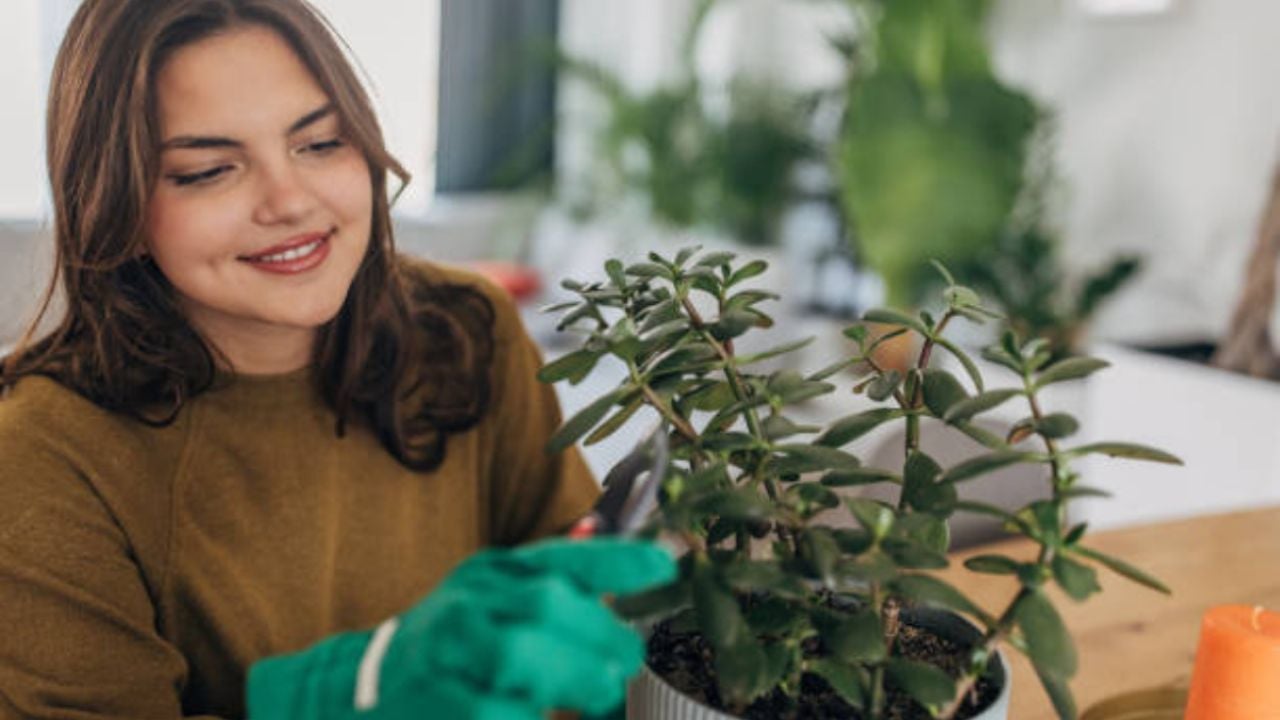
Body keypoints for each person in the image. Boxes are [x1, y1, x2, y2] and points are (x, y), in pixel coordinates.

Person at [0, 1, 674, 718]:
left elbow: (588, 623)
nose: (290, 201)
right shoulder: (41, 456)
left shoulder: (464, 330)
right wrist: (343, 690)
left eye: (321, 143)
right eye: (207, 170)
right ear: (117, 206)